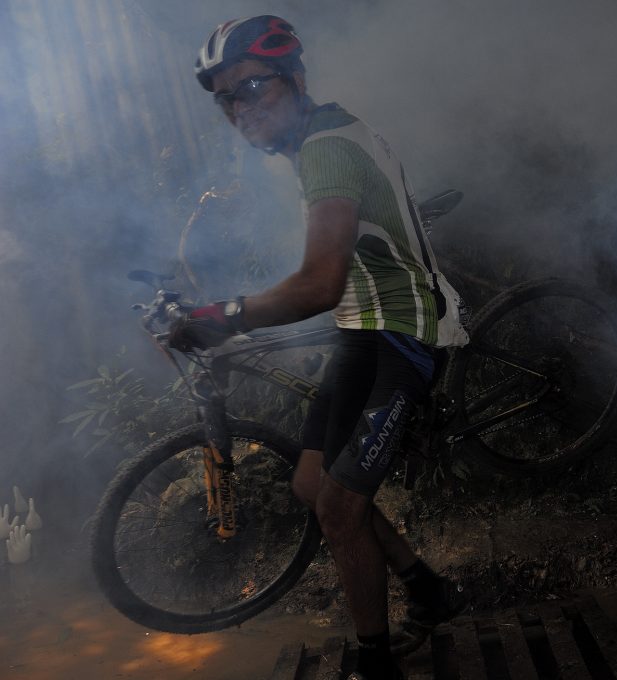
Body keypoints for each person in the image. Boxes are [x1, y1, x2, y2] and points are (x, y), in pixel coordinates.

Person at [177, 16, 470, 680]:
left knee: (340, 507)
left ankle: (375, 664)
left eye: (254, 87)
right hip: (362, 326)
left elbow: (318, 283)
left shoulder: (326, 149)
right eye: (227, 97)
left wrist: (224, 315)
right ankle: (429, 590)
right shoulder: (311, 137)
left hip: (406, 330)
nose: (241, 108)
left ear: (296, 80)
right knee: (313, 485)